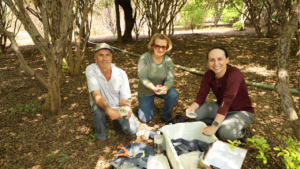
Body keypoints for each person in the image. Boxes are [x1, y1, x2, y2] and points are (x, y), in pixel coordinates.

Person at [186, 47, 255, 142]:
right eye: (212, 60)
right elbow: (201, 96)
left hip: (241, 111)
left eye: (220, 59)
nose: (216, 63)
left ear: (227, 60)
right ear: (208, 62)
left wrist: (214, 127)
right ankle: (221, 122)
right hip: (221, 107)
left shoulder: (234, 74)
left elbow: (226, 101)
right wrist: (192, 108)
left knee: (224, 133)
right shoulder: (208, 75)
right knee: (196, 114)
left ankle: (239, 132)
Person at [85, 43, 139, 148]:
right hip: (101, 105)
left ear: (111, 57)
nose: (104, 58)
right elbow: (96, 95)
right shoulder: (91, 70)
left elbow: (124, 100)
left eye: (107, 55)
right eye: (101, 55)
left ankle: (117, 121)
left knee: (133, 130)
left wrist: (126, 108)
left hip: (117, 106)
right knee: (97, 109)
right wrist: (108, 109)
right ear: (95, 58)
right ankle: (101, 137)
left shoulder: (121, 74)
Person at [137, 33, 178, 123]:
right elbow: (143, 77)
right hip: (146, 91)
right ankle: (144, 104)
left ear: (167, 48)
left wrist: (165, 88)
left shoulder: (168, 61)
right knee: (145, 119)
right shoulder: (145, 58)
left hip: (160, 89)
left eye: (163, 47)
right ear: (152, 46)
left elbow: (170, 79)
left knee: (173, 94)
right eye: (157, 46)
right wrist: (153, 88)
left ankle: (166, 116)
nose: (160, 49)